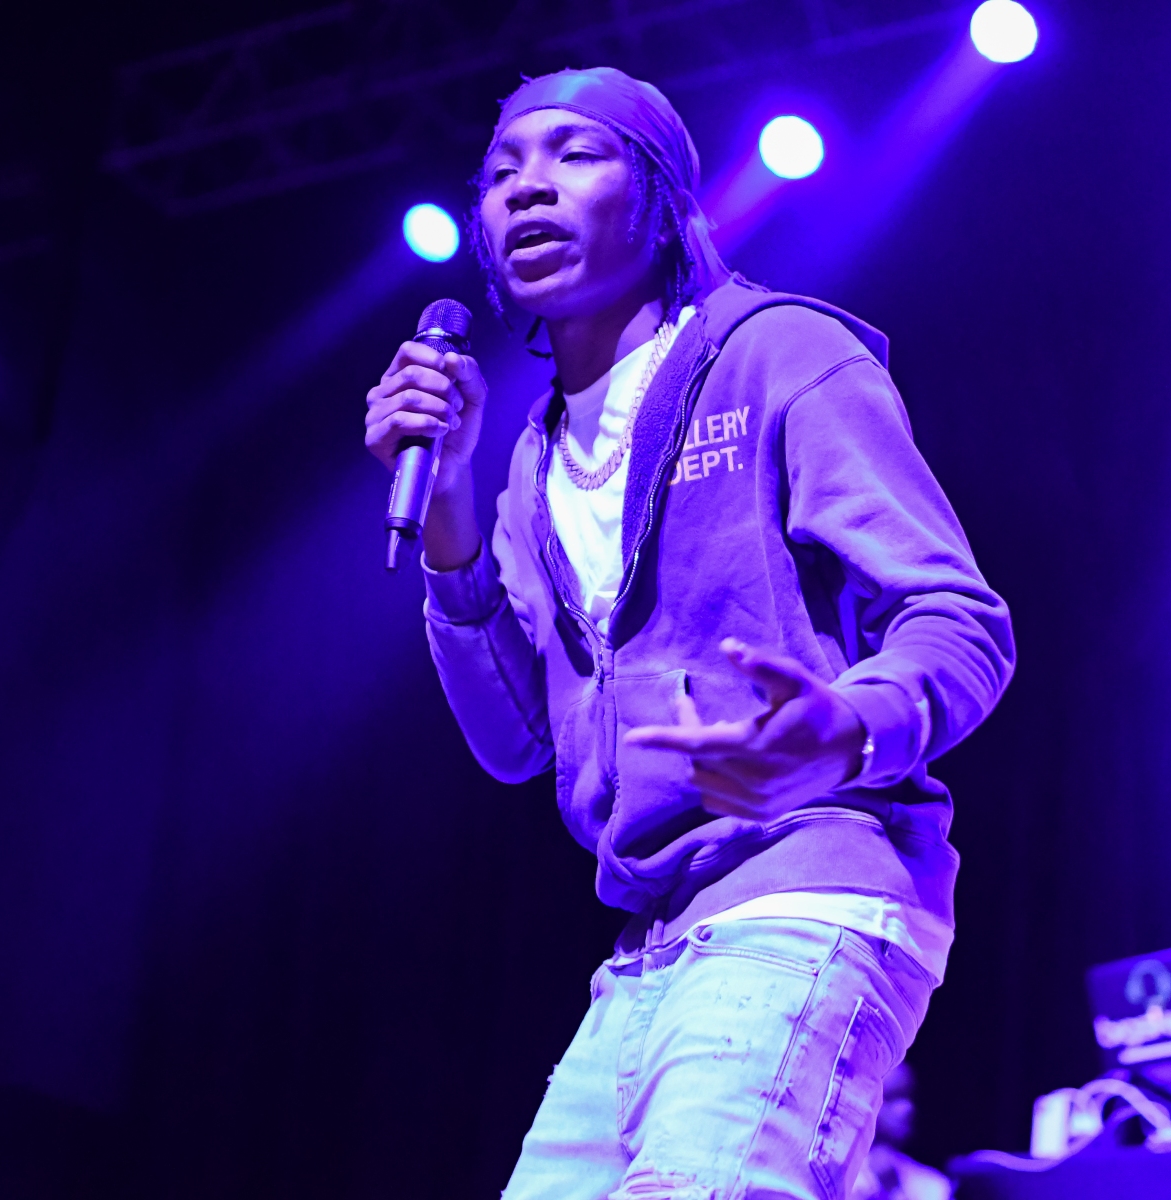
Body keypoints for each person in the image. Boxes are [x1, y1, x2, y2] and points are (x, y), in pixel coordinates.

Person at [364, 66, 1013, 1198]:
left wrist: (848, 730)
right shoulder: (530, 461)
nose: (526, 188)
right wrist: (450, 497)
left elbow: (959, 620)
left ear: (662, 198)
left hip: (807, 884)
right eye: (503, 171)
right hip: (652, 941)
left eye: (574, 155)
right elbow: (514, 741)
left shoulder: (779, 353)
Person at [850, 1061, 952, 1200]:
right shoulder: (836, 1174)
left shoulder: (932, 1185)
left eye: (909, 1096)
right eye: (893, 1097)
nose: (908, 1108)